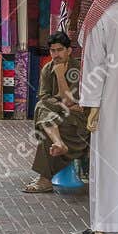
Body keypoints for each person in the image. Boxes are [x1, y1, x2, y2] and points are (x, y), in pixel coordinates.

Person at [27, 32, 90, 194]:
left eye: (59, 50)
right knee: (42, 107)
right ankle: (58, 144)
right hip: (58, 119)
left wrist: (61, 75)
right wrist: (66, 106)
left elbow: (69, 100)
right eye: (52, 51)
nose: (55, 54)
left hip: (78, 124)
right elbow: (44, 97)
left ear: (69, 51)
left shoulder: (77, 69)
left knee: (44, 118)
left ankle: (45, 179)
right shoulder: (47, 69)